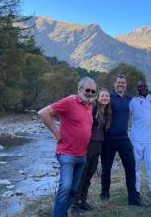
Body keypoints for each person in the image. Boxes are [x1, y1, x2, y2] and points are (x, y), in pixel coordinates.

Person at [38, 77, 96, 217]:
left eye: (93, 91)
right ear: (80, 89)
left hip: (81, 155)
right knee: (65, 188)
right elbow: (43, 113)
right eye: (87, 90)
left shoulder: (89, 106)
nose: (90, 93)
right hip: (67, 154)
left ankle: (62, 213)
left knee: (72, 190)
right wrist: (56, 133)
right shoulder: (69, 101)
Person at [100, 75, 144, 206]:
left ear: (126, 84)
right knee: (106, 169)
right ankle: (104, 195)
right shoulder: (108, 97)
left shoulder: (129, 99)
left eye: (123, 82)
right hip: (108, 139)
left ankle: (133, 198)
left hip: (124, 138)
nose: (121, 84)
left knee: (131, 167)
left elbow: (141, 110)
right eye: (118, 82)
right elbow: (97, 107)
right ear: (114, 84)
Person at [71, 89, 112, 214]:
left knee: (89, 173)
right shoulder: (92, 107)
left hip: (98, 144)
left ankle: (83, 200)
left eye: (107, 96)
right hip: (89, 144)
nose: (105, 97)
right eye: (102, 95)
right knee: (82, 174)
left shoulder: (106, 111)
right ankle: (74, 205)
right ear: (98, 97)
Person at [129, 80, 151, 210]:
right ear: (137, 89)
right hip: (136, 139)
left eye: (144, 86)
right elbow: (123, 113)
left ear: (148, 87)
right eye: (139, 86)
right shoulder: (133, 102)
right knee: (135, 168)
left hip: (150, 140)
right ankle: (136, 193)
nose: (142, 88)